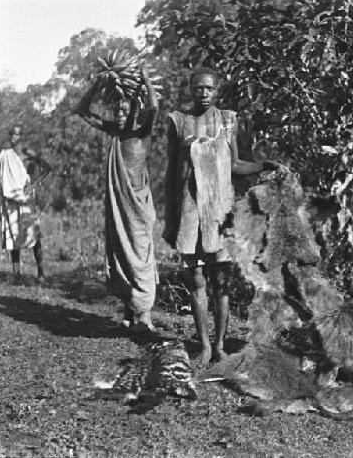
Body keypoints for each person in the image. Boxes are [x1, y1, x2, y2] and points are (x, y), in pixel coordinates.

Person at [163, 67, 268, 366]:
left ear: (217, 90)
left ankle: (221, 344)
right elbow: (172, 172)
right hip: (190, 209)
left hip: (220, 210)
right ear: (190, 89)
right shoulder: (178, 121)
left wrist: (262, 165)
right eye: (198, 88)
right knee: (195, 278)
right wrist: (171, 218)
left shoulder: (227, 120)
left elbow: (235, 164)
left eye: (209, 89)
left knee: (221, 280)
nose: (203, 93)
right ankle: (205, 345)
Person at [74, 65, 159, 332]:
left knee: (140, 252)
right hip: (118, 205)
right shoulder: (114, 132)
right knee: (121, 254)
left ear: (136, 111)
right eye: (117, 111)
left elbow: (154, 109)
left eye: (126, 110)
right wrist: (97, 85)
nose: (120, 115)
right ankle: (129, 309)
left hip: (137, 205)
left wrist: (145, 81)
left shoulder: (140, 133)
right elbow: (82, 111)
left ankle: (144, 315)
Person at [0, 125, 51, 280]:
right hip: (10, 200)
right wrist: (1, 186)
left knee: (33, 236)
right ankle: (16, 274)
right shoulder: (5, 155)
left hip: (25, 200)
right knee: (13, 236)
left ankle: (40, 272)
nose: (14, 138)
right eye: (12, 135)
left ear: (22, 137)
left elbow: (47, 167)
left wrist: (33, 185)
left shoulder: (27, 153)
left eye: (17, 135)